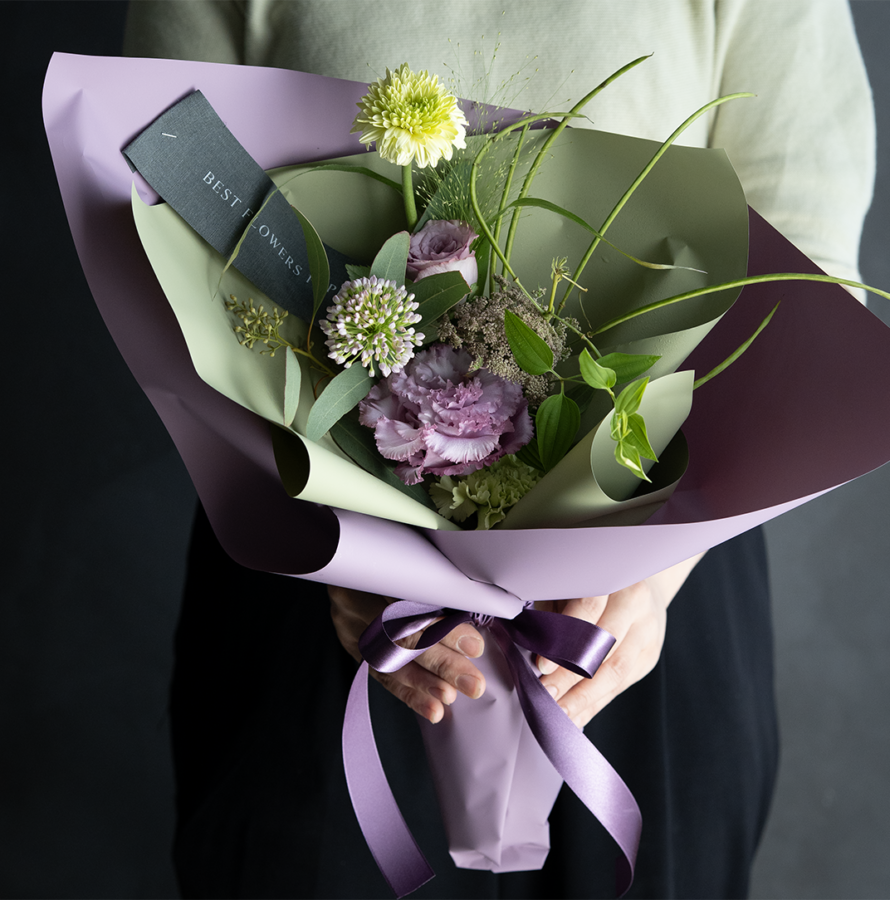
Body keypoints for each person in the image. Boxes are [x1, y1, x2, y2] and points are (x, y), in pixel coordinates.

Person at [122, 2, 875, 898]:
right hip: (317, 567)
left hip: (645, 586)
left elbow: (805, 255)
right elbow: (167, 190)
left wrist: (651, 579)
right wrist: (334, 555)